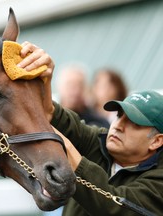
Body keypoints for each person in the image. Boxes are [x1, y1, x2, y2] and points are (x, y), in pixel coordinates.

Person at [18, 43, 163, 215]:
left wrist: (64, 147)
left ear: (156, 141)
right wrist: (41, 79)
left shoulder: (159, 180)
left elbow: (113, 205)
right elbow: (53, 115)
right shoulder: (101, 141)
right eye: (119, 115)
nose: (118, 126)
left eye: (134, 123)